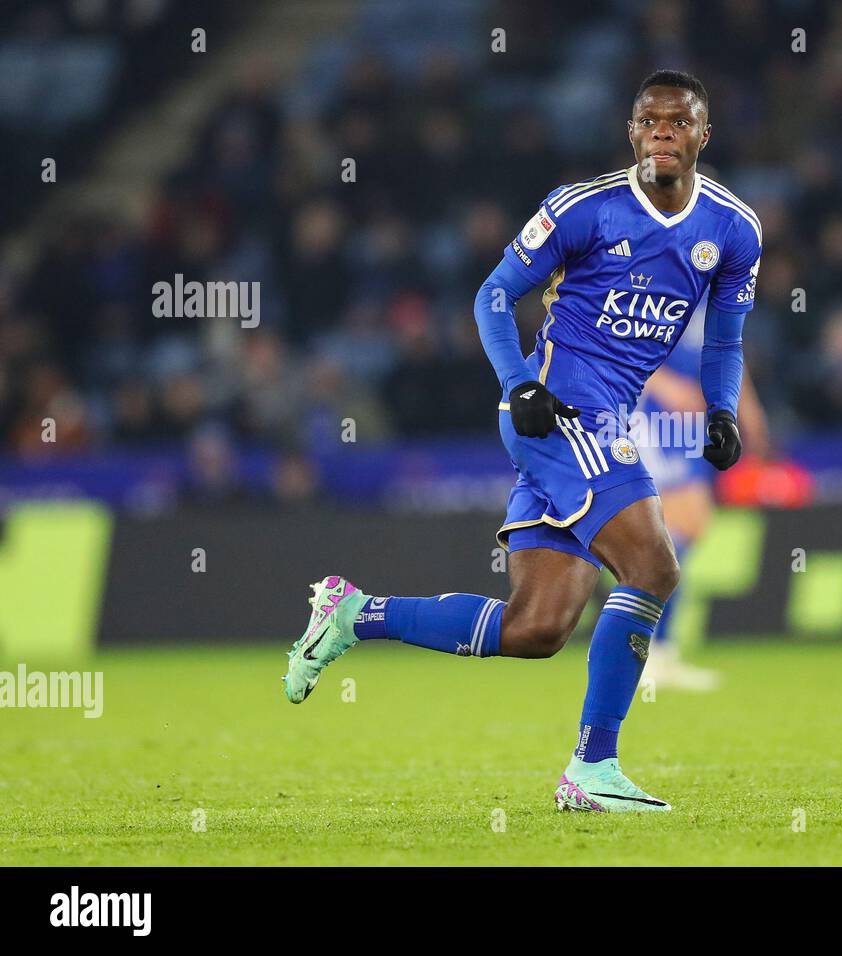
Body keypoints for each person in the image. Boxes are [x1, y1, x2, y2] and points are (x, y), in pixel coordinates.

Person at [280, 70, 762, 813]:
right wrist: (517, 382)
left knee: (537, 627)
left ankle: (352, 613)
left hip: (605, 417)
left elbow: (726, 339)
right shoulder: (584, 208)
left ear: (703, 135)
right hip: (559, 411)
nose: (662, 132)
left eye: (679, 121)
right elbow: (492, 294)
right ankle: (592, 770)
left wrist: (722, 409)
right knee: (656, 566)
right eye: (649, 121)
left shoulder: (733, 230)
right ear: (631, 133)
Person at [637, 307, 769, 691]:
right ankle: (645, 649)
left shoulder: (724, 279)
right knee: (667, 531)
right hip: (656, 414)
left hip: (696, 416)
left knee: (687, 529)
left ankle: (658, 650)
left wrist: (747, 409)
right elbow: (621, 334)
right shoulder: (667, 266)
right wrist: (662, 385)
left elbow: (727, 347)